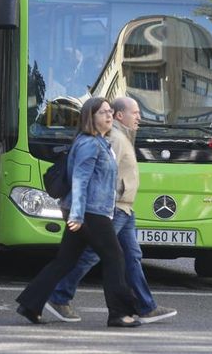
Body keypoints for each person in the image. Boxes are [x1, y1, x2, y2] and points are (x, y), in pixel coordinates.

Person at [44, 97, 177, 324]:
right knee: (92, 255)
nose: (139, 117)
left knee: (132, 256)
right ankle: (59, 296)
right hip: (113, 208)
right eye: (135, 113)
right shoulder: (114, 138)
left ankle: (146, 307)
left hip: (125, 208)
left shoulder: (123, 136)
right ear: (119, 115)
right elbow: (100, 175)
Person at [16, 96, 141, 327]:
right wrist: (76, 215)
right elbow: (80, 181)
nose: (109, 115)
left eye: (109, 112)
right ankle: (119, 313)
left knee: (64, 261)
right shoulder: (89, 144)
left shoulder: (101, 142)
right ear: (90, 118)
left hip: (88, 210)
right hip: (89, 212)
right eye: (103, 112)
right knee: (114, 257)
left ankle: (30, 305)